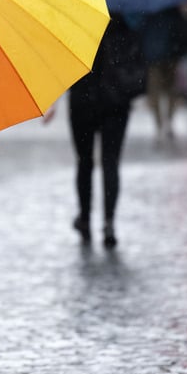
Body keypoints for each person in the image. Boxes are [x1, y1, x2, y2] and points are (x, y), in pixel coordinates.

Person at [47, 14, 142, 248]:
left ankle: (86, 219)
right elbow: (138, 67)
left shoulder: (78, 25)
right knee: (110, 162)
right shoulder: (125, 26)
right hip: (116, 104)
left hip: (83, 103)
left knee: (85, 162)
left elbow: (65, 65)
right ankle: (108, 223)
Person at [137, 6, 187, 141]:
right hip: (169, 54)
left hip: (155, 56)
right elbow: (182, 31)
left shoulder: (148, 11)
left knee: (155, 90)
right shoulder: (173, 10)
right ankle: (167, 120)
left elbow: (141, 31)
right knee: (170, 89)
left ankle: (160, 123)